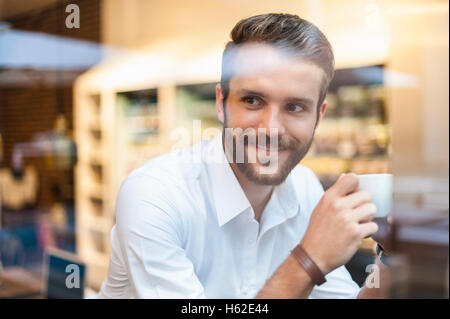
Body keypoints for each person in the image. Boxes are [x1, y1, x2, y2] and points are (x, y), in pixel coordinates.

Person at [98, 13, 387, 299]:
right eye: (252, 100)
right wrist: (309, 259)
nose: (271, 129)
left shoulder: (305, 187)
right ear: (221, 102)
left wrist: (389, 257)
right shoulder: (156, 194)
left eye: (295, 107)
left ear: (318, 117)